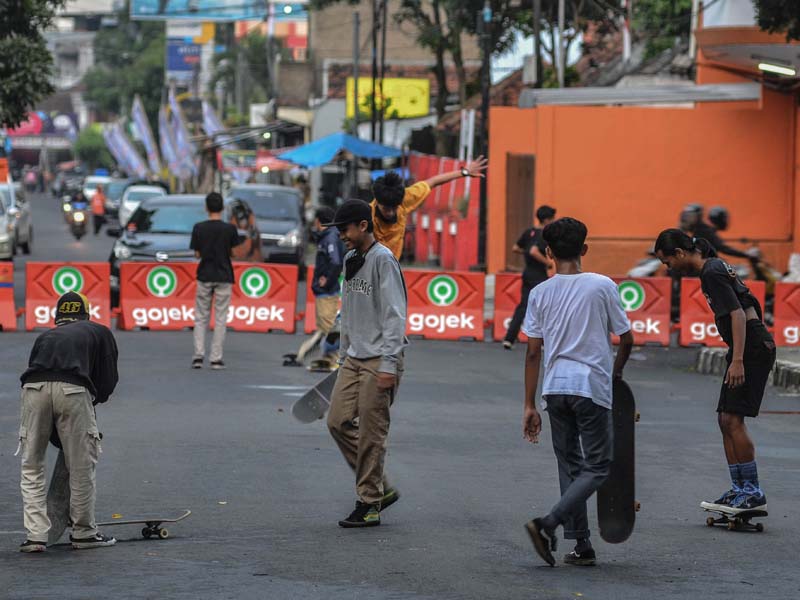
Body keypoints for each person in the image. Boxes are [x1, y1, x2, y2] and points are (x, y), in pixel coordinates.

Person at [521, 217, 634, 567]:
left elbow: (533, 352)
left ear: (549, 253)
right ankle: (548, 523)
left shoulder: (539, 293)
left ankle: (582, 545)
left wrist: (529, 404)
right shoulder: (602, 285)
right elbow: (626, 338)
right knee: (597, 467)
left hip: (555, 388)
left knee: (570, 466)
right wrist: (616, 373)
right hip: (590, 387)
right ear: (584, 249)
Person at [653, 229, 774, 515]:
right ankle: (739, 489)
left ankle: (752, 492)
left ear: (680, 253)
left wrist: (738, 359)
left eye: (668, 262)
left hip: (751, 347)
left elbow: (738, 314)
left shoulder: (711, 271)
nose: (669, 268)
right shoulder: (714, 268)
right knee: (725, 419)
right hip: (749, 345)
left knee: (733, 420)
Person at [324, 200, 408, 528]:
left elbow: (395, 314)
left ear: (362, 225)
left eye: (344, 229)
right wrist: (343, 355)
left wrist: (389, 362)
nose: (341, 236)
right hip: (354, 357)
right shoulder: (351, 259)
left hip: (379, 358)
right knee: (337, 421)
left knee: (373, 433)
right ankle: (379, 485)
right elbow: (349, 309)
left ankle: (369, 502)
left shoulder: (383, 260)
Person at [18, 291, 119, 552]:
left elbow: (37, 374)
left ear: (58, 316)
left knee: (32, 464)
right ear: (87, 314)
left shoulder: (45, 336)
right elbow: (107, 381)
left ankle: (35, 536)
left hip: (33, 388)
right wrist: (91, 405)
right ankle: (84, 532)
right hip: (73, 389)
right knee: (81, 465)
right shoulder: (98, 331)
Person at [371, 157, 488, 260]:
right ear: (378, 203)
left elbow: (433, 182)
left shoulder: (405, 198)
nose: (391, 213)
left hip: (392, 265)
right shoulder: (367, 217)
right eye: (386, 209)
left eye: (394, 208)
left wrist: (464, 172)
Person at [285, 206, 345, 369]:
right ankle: (307, 356)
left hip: (327, 292)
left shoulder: (330, 238)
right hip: (324, 291)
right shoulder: (329, 236)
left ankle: (335, 358)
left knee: (328, 329)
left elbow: (336, 262)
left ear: (318, 221)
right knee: (325, 329)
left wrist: (327, 280)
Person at [190, 192, 242, 370]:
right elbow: (235, 253)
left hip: (204, 274)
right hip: (224, 276)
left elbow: (197, 254)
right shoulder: (230, 229)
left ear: (206, 208)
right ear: (223, 208)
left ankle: (198, 356)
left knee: (200, 317)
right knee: (220, 318)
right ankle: (216, 358)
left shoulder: (198, 228)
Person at [502, 205, 557, 349]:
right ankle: (543, 341)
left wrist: (525, 252)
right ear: (546, 220)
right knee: (544, 307)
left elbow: (516, 248)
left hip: (527, 272)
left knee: (524, 305)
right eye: (552, 219)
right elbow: (533, 251)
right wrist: (548, 263)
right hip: (539, 274)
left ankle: (509, 338)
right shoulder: (543, 235)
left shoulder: (529, 232)